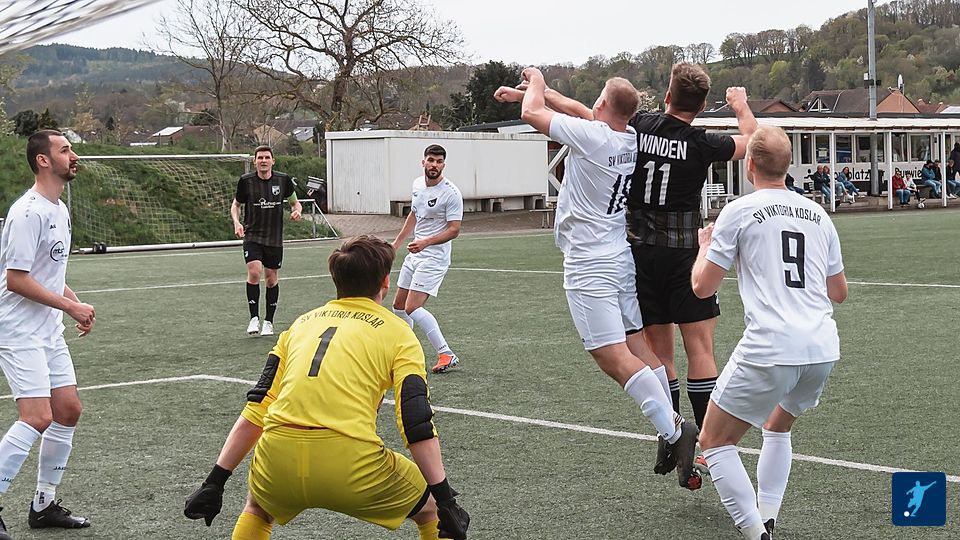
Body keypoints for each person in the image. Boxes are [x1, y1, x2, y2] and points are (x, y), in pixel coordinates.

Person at [494, 68, 702, 489]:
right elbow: (576, 110)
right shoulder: (628, 136)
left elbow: (533, 114)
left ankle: (675, 430)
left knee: (610, 356)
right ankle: (669, 424)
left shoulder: (594, 137)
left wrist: (536, 82)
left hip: (590, 263)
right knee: (637, 345)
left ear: (603, 104)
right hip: (619, 256)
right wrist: (538, 93)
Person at [187, 235, 470, 540]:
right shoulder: (399, 333)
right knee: (432, 512)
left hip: (278, 455)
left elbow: (257, 407)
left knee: (257, 507)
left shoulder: (299, 324)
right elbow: (415, 422)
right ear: (385, 282)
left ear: (336, 280)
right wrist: (445, 499)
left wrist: (215, 481)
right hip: (350, 462)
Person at [690, 126, 848, 540]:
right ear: (788, 164)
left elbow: (702, 288)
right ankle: (768, 517)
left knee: (714, 441)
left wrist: (704, 247)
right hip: (821, 347)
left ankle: (756, 532)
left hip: (772, 346)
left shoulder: (739, 210)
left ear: (749, 165)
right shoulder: (818, 214)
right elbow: (839, 293)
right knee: (777, 426)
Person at [0, 130, 97, 539]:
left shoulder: (59, 208)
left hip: (48, 329)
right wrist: (70, 307)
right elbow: (17, 279)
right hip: (18, 330)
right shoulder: (28, 212)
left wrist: (74, 301)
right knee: (37, 417)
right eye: (65, 150)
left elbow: (49, 273)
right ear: (43, 160)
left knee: (68, 410)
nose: (74, 156)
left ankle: (43, 505)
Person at [391, 145, 464, 374]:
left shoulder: (451, 193)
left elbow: (454, 229)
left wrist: (426, 242)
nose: (434, 165)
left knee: (412, 307)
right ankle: (405, 351)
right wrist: (396, 244)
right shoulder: (417, 184)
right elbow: (414, 214)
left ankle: (446, 353)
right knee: (398, 306)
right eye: (431, 160)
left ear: (444, 165)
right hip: (415, 254)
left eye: (439, 162)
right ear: (423, 162)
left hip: (434, 257)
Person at [231, 145, 302, 337]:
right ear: (254, 161)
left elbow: (295, 203)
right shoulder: (246, 181)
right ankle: (254, 318)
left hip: (274, 238)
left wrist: (297, 211)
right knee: (254, 272)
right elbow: (236, 205)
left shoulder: (283, 180)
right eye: (260, 158)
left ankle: (268, 321)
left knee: (271, 279)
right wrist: (237, 222)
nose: (263, 161)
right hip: (252, 236)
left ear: (273, 161)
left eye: (266, 157)